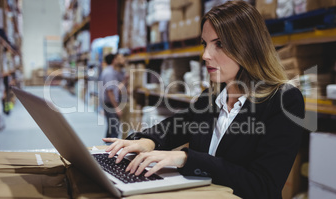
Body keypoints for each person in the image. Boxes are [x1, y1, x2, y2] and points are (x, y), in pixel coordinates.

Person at [103, 1, 305, 198]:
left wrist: (186, 159)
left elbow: (264, 186)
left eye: (219, 44)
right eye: (205, 44)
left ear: (249, 46)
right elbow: (173, 127)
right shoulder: (212, 97)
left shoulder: (284, 101)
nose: (205, 55)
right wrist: (148, 142)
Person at [100, 53, 128, 138]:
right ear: (113, 60)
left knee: (110, 128)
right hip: (110, 104)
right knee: (114, 130)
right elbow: (110, 92)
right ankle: (111, 149)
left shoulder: (110, 71)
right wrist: (116, 107)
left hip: (109, 104)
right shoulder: (109, 73)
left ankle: (105, 147)